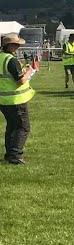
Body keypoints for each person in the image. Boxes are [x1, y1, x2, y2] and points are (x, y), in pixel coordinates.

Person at [0, 33, 38, 164]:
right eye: (16, 44)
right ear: (9, 46)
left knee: (11, 126)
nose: (18, 47)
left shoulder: (1, 58)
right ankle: (15, 155)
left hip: (3, 100)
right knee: (23, 127)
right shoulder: (11, 60)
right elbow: (21, 80)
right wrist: (31, 70)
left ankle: (9, 153)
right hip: (15, 100)